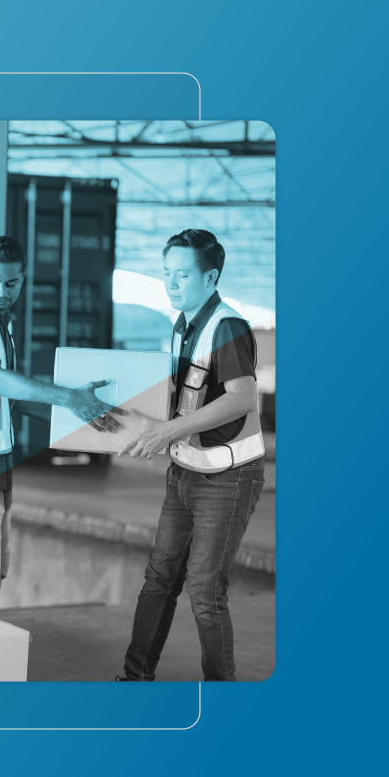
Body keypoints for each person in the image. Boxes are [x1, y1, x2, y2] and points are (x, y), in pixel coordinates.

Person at [0, 236, 121, 617]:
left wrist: (87, 421)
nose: (2, 292)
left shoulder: (1, 324)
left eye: (12, 283)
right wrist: (70, 398)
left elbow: (11, 400)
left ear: (22, 279)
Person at [115, 229, 265, 682]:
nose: (171, 284)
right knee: (158, 580)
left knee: (204, 590)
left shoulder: (227, 327)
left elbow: (241, 398)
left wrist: (168, 431)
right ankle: (134, 679)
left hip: (228, 479)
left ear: (211, 276)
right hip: (184, 474)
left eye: (182, 274)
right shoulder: (184, 324)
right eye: (166, 273)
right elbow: (185, 396)